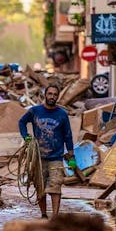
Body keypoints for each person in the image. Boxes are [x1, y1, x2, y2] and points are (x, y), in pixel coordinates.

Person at [18, 85, 74, 219]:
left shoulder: (62, 114)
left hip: (56, 157)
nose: (52, 96)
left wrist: (71, 155)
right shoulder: (35, 111)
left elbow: (68, 135)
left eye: (55, 94)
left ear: (58, 97)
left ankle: (55, 216)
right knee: (40, 187)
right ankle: (44, 214)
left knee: (56, 187)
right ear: (45, 94)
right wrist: (26, 136)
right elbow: (21, 122)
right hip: (39, 156)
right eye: (50, 94)